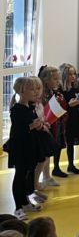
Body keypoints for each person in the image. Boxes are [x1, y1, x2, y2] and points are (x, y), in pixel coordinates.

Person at [7, 77, 43, 220]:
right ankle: (18, 207)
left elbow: (32, 123)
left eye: (36, 89)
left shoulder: (30, 107)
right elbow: (17, 131)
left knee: (28, 174)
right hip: (20, 147)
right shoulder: (17, 109)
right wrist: (32, 126)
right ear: (22, 91)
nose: (35, 92)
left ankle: (25, 201)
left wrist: (39, 125)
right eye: (31, 89)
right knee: (20, 176)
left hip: (30, 145)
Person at [39, 66, 68, 179]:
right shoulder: (41, 94)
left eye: (58, 78)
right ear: (46, 80)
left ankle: (48, 175)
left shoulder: (55, 92)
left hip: (56, 124)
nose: (58, 81)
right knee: (45, 154)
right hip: (45, 126)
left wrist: (61, 102)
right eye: (55, 79)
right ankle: (42, 177)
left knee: (51, 151)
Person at [59, 63, 79, 175]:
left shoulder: (75, 88)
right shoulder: (61, 90)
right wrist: (69, 105)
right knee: (61, 143)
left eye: (74, 74)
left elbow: (78, 101)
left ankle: (71, 165)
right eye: (70, 74)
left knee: (71, 143)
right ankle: (56, 167)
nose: (73, 76)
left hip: (74, 117)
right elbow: (61, 106)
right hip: (65, 119)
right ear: (64, 75)